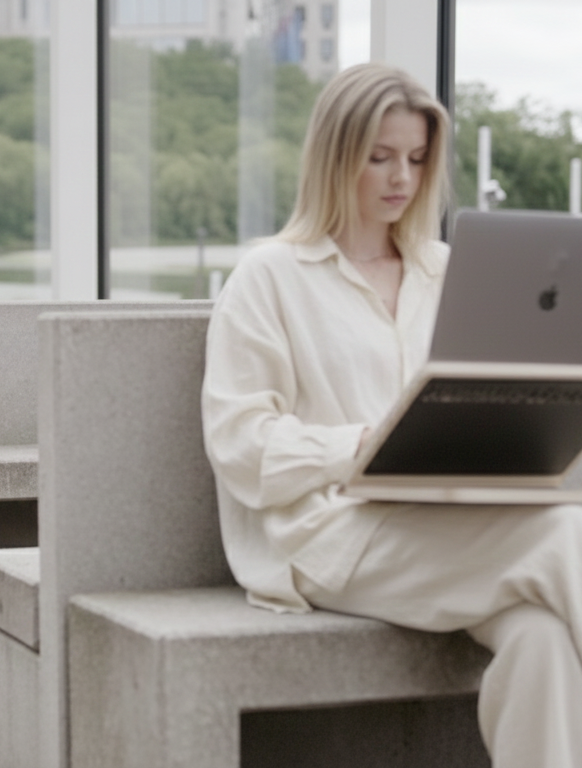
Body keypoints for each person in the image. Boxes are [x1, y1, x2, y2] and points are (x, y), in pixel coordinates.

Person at [201, 62, 582, 767]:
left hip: (455, 518)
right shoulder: (270, 275)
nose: (400, 177)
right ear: (334, 157)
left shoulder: (449, 268)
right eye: (378, 158)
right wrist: (363, 446)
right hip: (331, 534)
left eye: (415, 158)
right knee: (566, 536)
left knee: (541, 641)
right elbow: (241, 446)